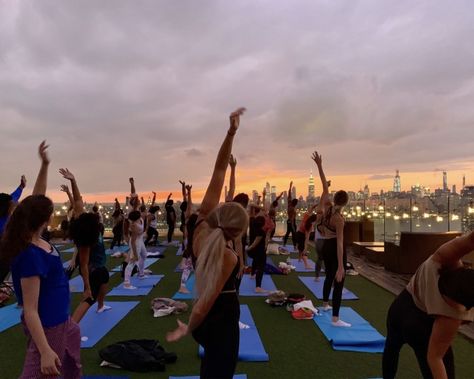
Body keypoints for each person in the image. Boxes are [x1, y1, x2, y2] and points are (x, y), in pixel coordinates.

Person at [167, 108, 248, 379]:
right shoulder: (229, 257)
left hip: (206, 324)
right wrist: (186, 328)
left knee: (210, 371)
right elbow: (204, 304)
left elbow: (219, 169)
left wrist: (231, 133)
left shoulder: (201, 224)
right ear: (237, 233)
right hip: (219, 320)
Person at [0, 141, 81, 378]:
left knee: (67, 370)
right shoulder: (29, 255)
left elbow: (37, 197)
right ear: (43, 220)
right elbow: (30, 310)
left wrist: (45, 165)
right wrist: (45, 350)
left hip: (62, 321)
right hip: (49, 327)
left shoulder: (36, 238)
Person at [382, 232, 474, 379]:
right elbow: (435, 358)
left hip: (400, 307)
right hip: (419, 326)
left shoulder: (444, 258)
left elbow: (470, 239)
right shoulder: (451, 316)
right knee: (440, 363)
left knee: (391, 347)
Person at [59, 168, 111, 320]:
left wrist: (73, 180)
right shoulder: (85, 242)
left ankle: (101, 306)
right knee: (88, 298)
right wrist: (87, 287)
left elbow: (77, 201)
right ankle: (72, 328)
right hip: (91, 270)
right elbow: (83, 265)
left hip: (99, 267)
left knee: (105, 280)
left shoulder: (83, 223)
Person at [313, 151, 351, 327]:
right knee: (338, 279)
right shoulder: (339, 219)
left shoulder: (327, 209)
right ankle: (335, 318)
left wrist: (319, 165)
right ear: (345, 203)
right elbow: (340, 243)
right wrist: (342, 266)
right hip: (334, 247)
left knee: (328, 275)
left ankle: (325, 304)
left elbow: (324, 187)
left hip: (325, 246)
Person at [246, 215, 269, 293]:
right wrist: (247, 249)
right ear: (262, 223)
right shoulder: (261, 232)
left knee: (255, 261)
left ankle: (252, 274)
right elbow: (255, 243)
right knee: (261, 268)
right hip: (259, 252)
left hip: (255, 252)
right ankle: (258, 287)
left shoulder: (253, 227)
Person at [295, 204, 318, 270]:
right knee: (303, 250)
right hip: (301, 235)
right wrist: (306, 248)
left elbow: (310, 210)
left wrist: (314, 206)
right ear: (314, 221)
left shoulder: (306, 216)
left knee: (300, 248)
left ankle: (299, 259)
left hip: (298, 233)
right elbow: (306, 239)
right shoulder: (309, 226)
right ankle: (306, 265)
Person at [283, 181, 298, 250]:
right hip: (291, 221)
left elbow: (289, 194)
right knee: (294, 234)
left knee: (288, 232)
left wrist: (290, 186)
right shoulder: (292, 209)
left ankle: (284, 243)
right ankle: (295, 246)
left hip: (289, 220)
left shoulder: (289, 204)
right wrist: (293, 227)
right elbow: (292, 219)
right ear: (295, 204)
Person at [178, 181, 188, 251]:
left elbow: (184, 195)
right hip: (185, 225)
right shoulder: (185, 211)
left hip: (185, 225)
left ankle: (184, 246)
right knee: (185, 236)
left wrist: (183, 186)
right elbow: (184, 195)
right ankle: (184, 246)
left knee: (186, 236)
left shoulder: (185, 208)